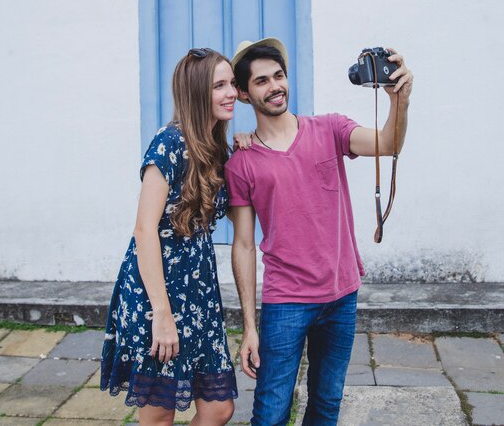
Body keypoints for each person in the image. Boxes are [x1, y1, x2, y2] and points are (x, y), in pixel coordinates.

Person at [225, 37, 413, 426]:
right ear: (244, 93)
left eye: (279, 76)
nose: (275, 85)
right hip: (286, 302)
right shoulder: (241, 163)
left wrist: (399, 100)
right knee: (271, 412)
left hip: (342, 295)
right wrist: (249, 326)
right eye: (261, 81)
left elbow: (387, 141)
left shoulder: (330, 128)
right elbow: (243, 245)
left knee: (326, 404)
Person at [101, 48, 239, 426]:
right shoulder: (169, 143)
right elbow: (144, 229)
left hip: (199, 296)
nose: (232, 93)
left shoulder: (216, 149)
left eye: (232, 83)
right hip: (158, 294)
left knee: (218, 408)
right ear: (196, 93)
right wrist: (160, 314)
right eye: (219, 86)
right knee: (159, 415)